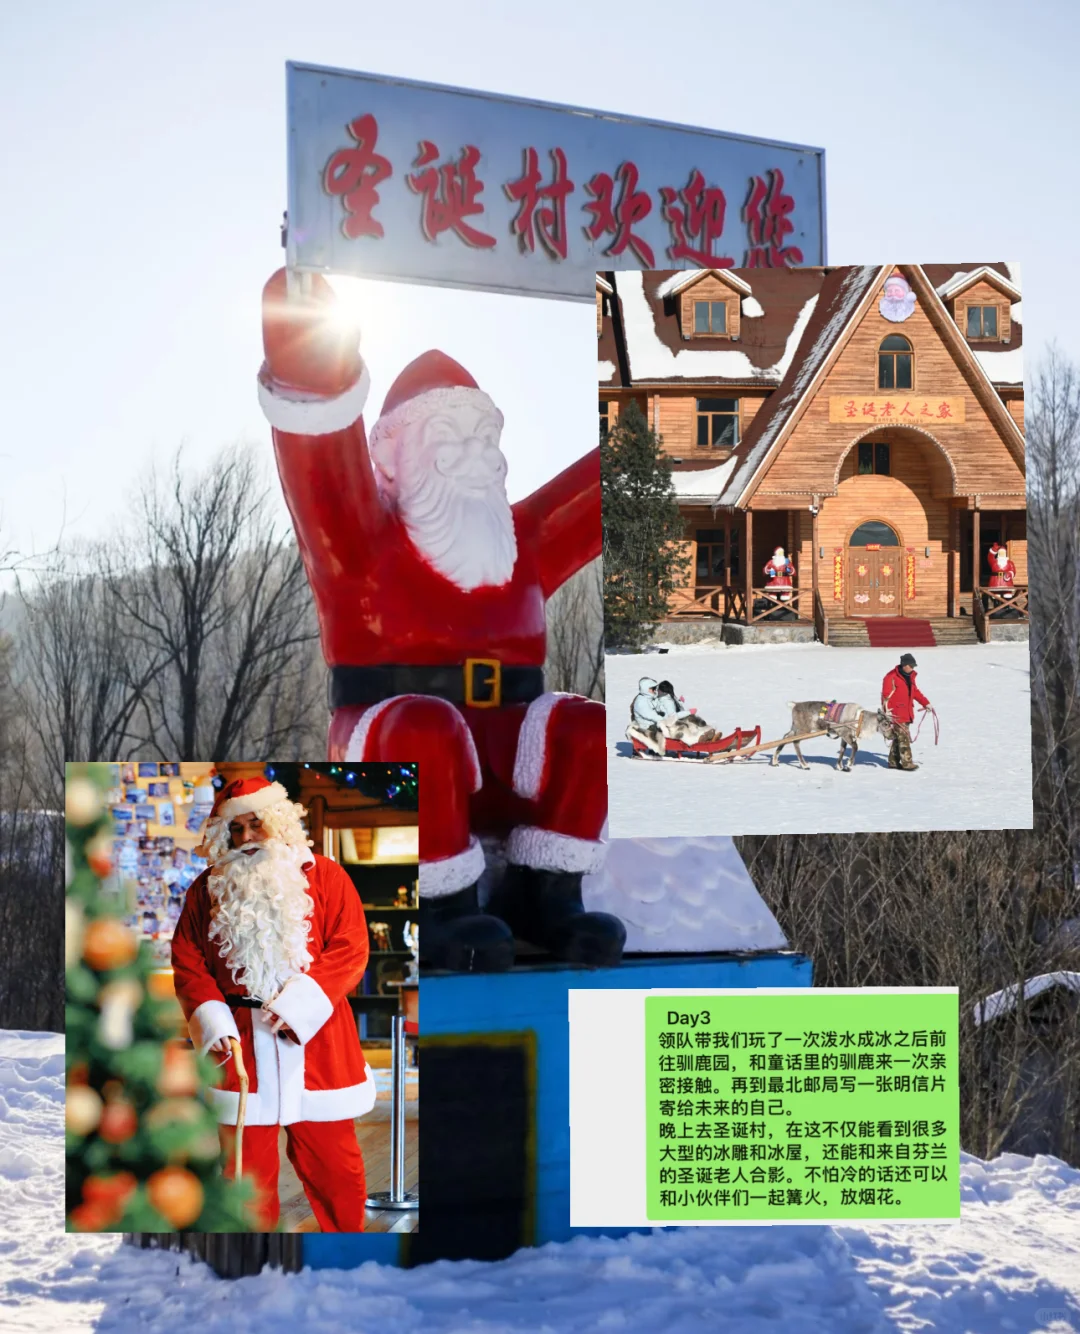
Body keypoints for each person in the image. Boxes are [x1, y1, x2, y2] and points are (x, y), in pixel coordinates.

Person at [258, 271, 619, 973]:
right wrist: (309, 358)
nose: (478, 454)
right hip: (391, 732)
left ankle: (546, 889)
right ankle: (441, 903)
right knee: (427, 725)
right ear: (391, 454)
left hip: (505, 738)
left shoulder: (519, 541)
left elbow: (608, 484)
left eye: (486, 434)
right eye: (449, 435)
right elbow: (319, 467)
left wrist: (693, 410)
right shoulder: (363, 544)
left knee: (586, 725)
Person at [171, 776, 375, 1232]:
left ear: (278, 823)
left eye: (255, 825)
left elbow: (351, 947)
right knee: (243, 1177)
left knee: (337, 1170)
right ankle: (251, 1270)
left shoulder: (327, 877)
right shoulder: (206, 889)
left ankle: (350, 1256)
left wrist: (300, 1006)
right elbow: (187, 961)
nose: (245, 839)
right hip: (239, 1046)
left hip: (317, 1042)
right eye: (235, 830)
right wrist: (212, 1020)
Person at [881, 653, 931, 771]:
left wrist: (926, 703)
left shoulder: (910, 677)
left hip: (907, 711)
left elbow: (915, 692)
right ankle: (907, 763)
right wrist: (886, 711)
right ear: (904, 665)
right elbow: (885, 696)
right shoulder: (891, 677)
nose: (913, 668)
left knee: (899, 737)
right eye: (911, 666)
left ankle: (893, 761)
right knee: (904, 738)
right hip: (895, 713)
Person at [655, 680, 716, 745]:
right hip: (671, 727)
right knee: (685, 728)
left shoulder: (667, 698)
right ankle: (698, 738)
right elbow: (673, 716)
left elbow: (673, 708)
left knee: (692, 721)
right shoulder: (666, 701)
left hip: (674, 722)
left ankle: (706, 733)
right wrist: (688, 712)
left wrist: (680, 702)